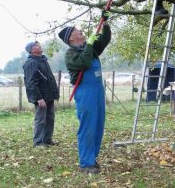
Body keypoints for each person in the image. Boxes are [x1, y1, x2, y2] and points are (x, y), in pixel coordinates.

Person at [58, 11, 111, 174]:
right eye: (76, 29)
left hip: (98, 91)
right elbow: (85, 62)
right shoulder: (71, 54)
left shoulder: (91, 47)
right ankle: (86, 163)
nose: (80, 30)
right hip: (85, 92)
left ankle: (92, 158)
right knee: (87, 126)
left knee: (98, 125)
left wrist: (105, 23)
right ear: (71, 38)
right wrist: (89, 44)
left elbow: (105, 39)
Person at [23, 41, 60, 147]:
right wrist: (39, 98)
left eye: (38, 44)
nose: (39, 46)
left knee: (50, 118)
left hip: (49, 95)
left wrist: (54, 93)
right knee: (40, 119)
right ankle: (38, 142)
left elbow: (49, 78)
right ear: (31, 50)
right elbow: (31, 82)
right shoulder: (31, 63)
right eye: (36, 45)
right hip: (41, 97)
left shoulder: (43, 60)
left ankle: (47, 140)